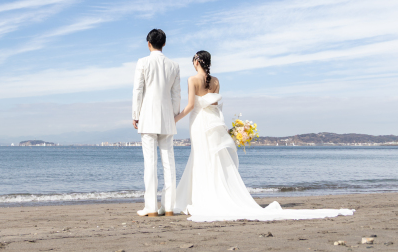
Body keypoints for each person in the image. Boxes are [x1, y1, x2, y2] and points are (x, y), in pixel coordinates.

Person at [173, 50, 354, 222]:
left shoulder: (192, 80)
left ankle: (203, 198)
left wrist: (176, 118)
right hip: (214, 122)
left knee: (201, 157)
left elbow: (190, 106)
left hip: (199, 123)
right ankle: (215, 194)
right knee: (215, 158)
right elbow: (215, 105)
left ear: (196, 61)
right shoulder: (216, 81)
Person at [132, 29, 181, 216]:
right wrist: (174, 114)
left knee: (150, 164)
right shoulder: (174, 65)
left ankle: (151, 208)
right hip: (167, 117)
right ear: (164, 44)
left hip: (148, 116)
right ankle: (168, 207)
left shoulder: (143, 62)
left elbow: (138, 90)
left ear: (148, 43)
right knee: (169, 163)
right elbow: (176, 94)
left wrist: (136, 114)